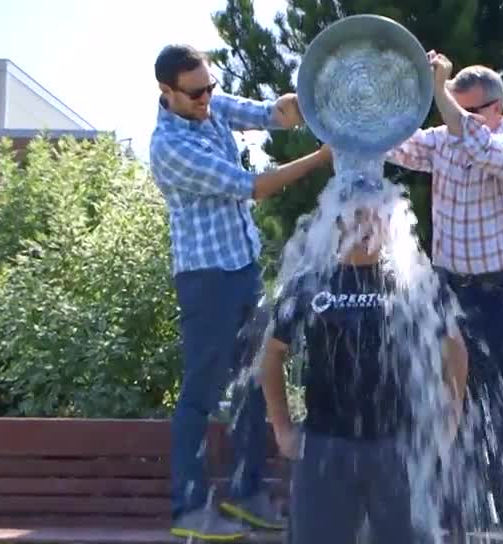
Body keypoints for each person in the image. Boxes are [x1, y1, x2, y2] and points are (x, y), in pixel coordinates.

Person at [149, 44, 332, 541]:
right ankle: (188, 508)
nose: (206, 98)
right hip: (206, 279)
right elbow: (252, 186)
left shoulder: (209, 103)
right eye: (195, 93)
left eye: (209, 86)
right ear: (167, 91)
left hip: (243, 269)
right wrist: (321, 157)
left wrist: (303, 104)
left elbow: (271, 114)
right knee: (201, 393)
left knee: (252, 383)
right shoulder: (169, 146)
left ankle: (247, 492)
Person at [258, 178, 469, 544]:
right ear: (337, 221)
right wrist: (282, 426)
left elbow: (455, 347)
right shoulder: (310, 284)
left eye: (376, 215)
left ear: (390, 222)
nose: (366, 224)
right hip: (324, 445)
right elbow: (272, 354)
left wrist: (450, 418)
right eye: (357, 215)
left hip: (398, 448)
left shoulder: (414, 284)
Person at [386, 52, 503, 530]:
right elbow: (394, 145)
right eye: (453, 108)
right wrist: (348, 117)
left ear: (496, 108)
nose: (455, 120)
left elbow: (482, 149)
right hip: (452, 290)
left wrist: (440, 92)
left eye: (467, 111)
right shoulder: (443, 141)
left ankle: (488, 512)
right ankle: (447, 508)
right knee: (448, 396)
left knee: (492, 397)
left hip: (500, 292)